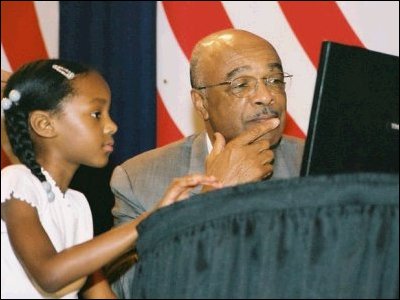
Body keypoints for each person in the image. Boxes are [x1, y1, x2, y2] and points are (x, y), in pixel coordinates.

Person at [0, 59, 222, 299]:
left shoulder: (77, 204)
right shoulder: (17, 182)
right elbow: (50, 274)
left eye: (109, 113)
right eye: (96, 114)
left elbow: (100, 293)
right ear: (44, 124)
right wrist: (153, 218)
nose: (112, 126)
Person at [109, 29, 304, 297]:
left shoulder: (314, 164)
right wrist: (213, 199)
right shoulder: (139, 179)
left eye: (275, 80)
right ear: (201, 103)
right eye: (242, 84)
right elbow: (136, 290)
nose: (266, 96)